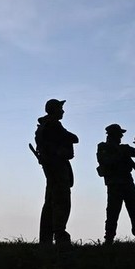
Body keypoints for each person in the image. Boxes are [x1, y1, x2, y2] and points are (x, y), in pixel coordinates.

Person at [35, 99, 79, 246]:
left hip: (53, 169)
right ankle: (60, 237)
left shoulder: (46, 126)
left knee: (50, 204)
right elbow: (74, 138)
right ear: (54, 110)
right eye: (60, 108)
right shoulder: (53, 126)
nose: (63, 111)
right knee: (61, 202)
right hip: (57, 169)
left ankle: (46, 240)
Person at [96, 124, 135, 244]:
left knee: (134, 209)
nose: (121, 136)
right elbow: (104, 161)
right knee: (113, 212)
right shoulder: (103, 147)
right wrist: (119, 155)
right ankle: (109, 238)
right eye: (119, 134)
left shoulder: (124, 148)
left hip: (127, 182)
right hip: (114, 184)